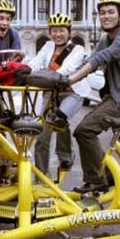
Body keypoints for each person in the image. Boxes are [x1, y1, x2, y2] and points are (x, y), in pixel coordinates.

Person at [65, 0, 120, 193]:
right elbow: (90, 60)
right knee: (84, 130)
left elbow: (101, 58)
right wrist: (62, 79)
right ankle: (105, 176)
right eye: (102, 13)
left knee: (85, 130)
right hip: (116, 98)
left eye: (111, 12)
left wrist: (71, 80)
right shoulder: (106, 38)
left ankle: (99, 179)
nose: (106, 16)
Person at [28, 13, 89, 175]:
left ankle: (66, 156)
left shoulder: (77, 49)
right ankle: (41, 175)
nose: (58, 35)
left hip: (71, 93)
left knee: (59, 119)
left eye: (61, 31)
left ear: (69, 32)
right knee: (41, 134)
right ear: (50, 33)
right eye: (54, 31)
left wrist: (47, 77)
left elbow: (67, 69)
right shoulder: (47, 46)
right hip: (50, 92)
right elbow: (36, 62)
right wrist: (26, 70)